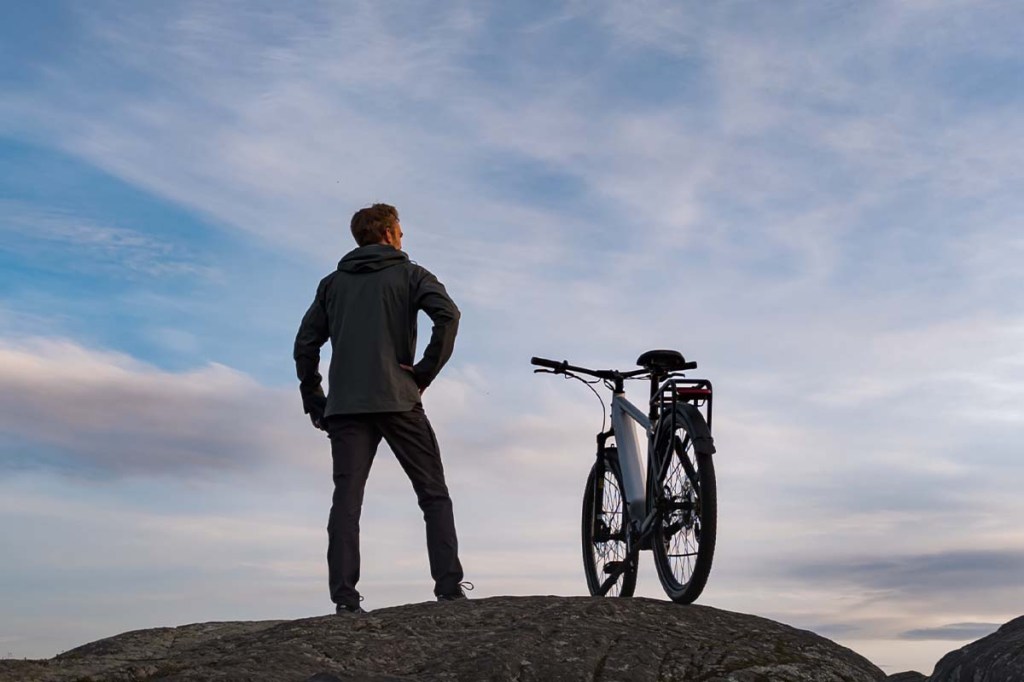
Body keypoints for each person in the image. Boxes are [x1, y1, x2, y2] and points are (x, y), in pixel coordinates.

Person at [293, 203, 468, 614]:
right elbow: (449, 315)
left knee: (347, 501)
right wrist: (424, 372)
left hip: (346, 407)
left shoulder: (332, 284)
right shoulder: (411, 275)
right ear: (389, 234)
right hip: (399, 399)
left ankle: (345, 600)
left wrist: (314, 398)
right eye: (401, 232)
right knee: (433, 494)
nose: (403, 239)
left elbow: (305, 344)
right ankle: (448, 589)